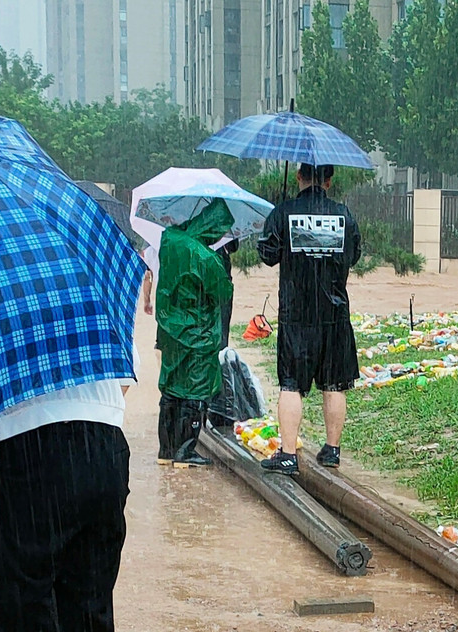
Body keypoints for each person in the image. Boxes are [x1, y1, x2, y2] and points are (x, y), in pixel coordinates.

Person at [0, 373, 135, 632]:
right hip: (104, 448)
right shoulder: (99, 317)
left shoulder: (0, 317)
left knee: (14, 617)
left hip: (30, 451)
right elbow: (126, 377)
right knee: (85, 615)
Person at [258, 163, 362, 477]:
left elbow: (267, 254)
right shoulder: (344, 216)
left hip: (296, 315)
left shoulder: (284, 211)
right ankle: (332, 451)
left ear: (299, 177)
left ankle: (288, 455)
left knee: (291, 385)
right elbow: (354, 255)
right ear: (329, 181)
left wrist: (279, 218)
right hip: (334, 314)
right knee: (334, 383)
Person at [155, 198, 235, 468]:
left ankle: (166, 449)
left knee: (171, 386)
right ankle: (186, 450)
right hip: (198, 333)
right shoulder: (207, 257)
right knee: (194, 389)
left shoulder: (171, 241)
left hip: (170, 329)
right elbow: (223, 292)